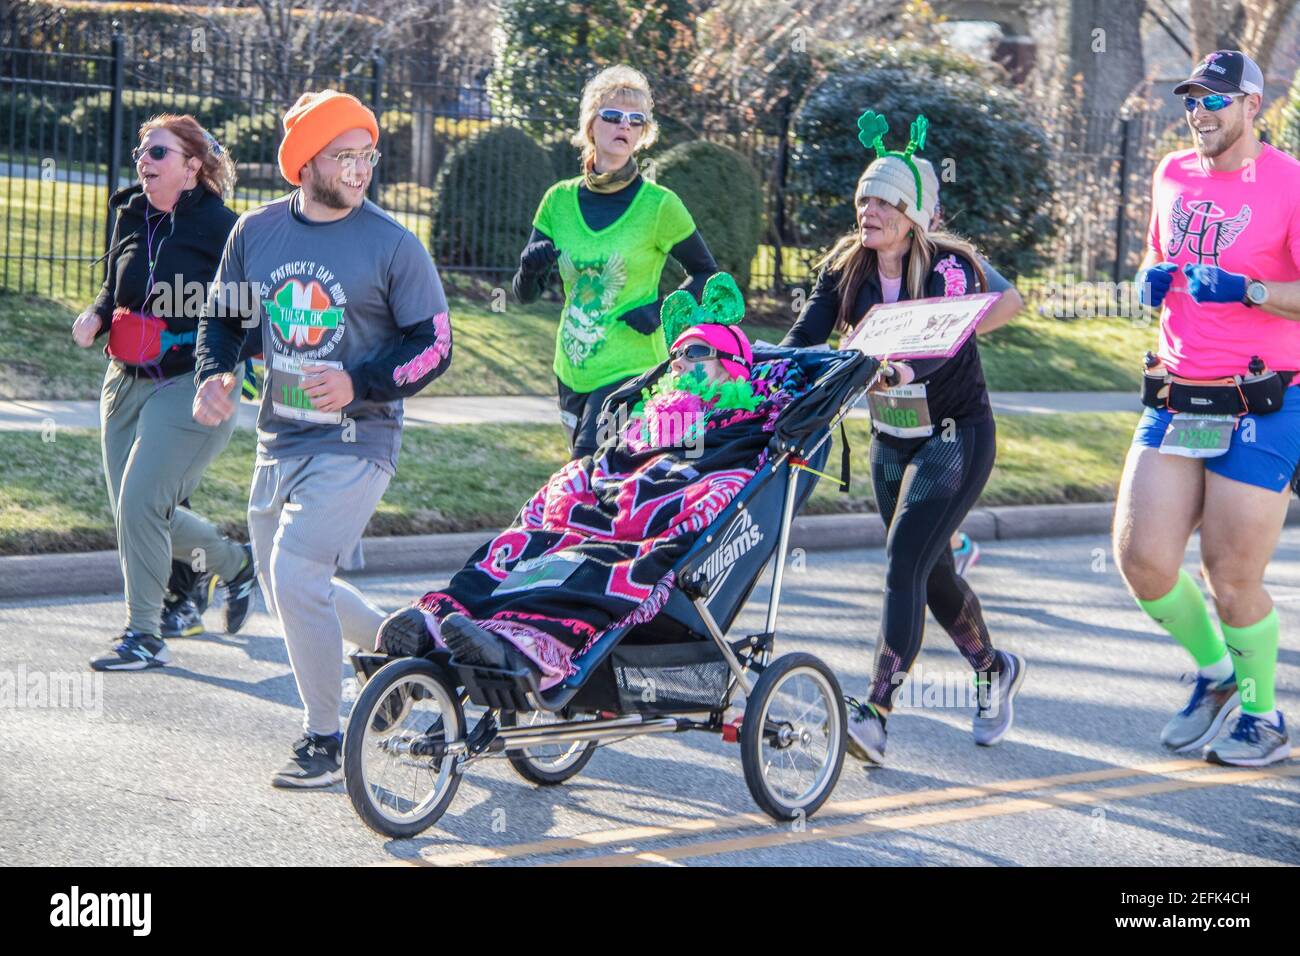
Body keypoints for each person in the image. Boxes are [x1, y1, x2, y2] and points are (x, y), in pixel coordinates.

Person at [193, 90, 454, 788]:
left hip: (359, 439)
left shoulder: (393, 245)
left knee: (293, 572)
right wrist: (215, 374)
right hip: (280, 439)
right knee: (291, 586)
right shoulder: (256, 233)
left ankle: (324, 739)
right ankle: (393, 647)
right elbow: (222, 319)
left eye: (367, 155)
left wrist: (361, 383)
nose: (361, 168)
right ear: (305, 161)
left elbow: (434, 345)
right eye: (345, 156)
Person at [780, 111, 1025, 764]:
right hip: (892, 437)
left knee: (901, 561)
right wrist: (763, 370)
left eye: (884, 200)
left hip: (954, 434)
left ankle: (876, 712)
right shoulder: (845, 270)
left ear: (912, 212)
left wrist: (894, 363)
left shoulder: (947, 266)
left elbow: (939, 347)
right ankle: (992, 667)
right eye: (863, 197)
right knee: (930, 569)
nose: (869, 210)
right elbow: (805, 336)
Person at [1115, 51, 1300, 767]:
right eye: (1192, 99)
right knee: (1143, 561)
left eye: (1217, 100)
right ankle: (1219, 676)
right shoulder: (1172, 173)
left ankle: (1263, 715)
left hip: (1266, 398)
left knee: (1230, 572)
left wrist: (1249, 289)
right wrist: (1149, 279)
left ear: (1254, 107)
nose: (1201, 112)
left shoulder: (1288, 183)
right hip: (1177, 392)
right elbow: (1156, 255)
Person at [73, 114, 259, 671]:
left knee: (141, 504)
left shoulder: (223, 228)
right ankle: (234, 562)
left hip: (189, 381)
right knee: (134, 513)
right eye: (141, 152)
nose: (143, 162)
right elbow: (116, 286)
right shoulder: (131, 214)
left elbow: (245, 313)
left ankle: (143, 634)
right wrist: (97, 314)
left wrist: (227, 373)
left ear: (191, 166)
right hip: (123, 379)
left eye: (157, 154)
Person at [512, 64, 718, 460]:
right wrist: (530, 268)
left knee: (586, 467)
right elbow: (523, 295)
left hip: (633, 366)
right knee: (600, 481)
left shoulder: (660, 206)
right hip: (571, 367)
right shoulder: (558, 201)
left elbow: (708, 274)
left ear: (642, 133)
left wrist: (661, 310)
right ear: (592, 124)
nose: (624, 125)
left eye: (635, 120)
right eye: (613, 116)